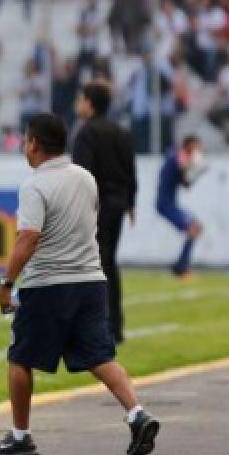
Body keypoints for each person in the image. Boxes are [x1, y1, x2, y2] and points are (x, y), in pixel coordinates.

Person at [0, 113, 158, 455]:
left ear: (34, 143)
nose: (24, 146)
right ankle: (137, 414)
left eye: (25, 140)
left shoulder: (34, 185)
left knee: (20, 357)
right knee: (100, 357)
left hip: (49, 283)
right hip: (91, 281)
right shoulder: (86, 178)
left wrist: (6, 283)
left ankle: (21, 434)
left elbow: (28, 239)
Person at [71, 82, 136, 344]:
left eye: (81, 99)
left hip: (96, 206)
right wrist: (131, 202)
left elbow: (82, 174)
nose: (78, 104)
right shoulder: (120, 131)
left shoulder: (86, 133)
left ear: (89, 103)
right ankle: (114, 325)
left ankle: (99, 326)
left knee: (94, 264)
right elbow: (131, 169)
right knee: (109, 262)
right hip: (117, 204)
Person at [156, 135, 205, 278]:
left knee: (196, 228)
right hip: (165, 204)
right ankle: (181, 269)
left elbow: (185, 182)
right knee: (193, 229)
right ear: (189, 145)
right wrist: (196, 167)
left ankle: (179, 267)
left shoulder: (177, 156)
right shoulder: (180, 156)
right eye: (196, 146)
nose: (198, 150)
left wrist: (196, 172)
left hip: (169, 203)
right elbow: (184, 176)